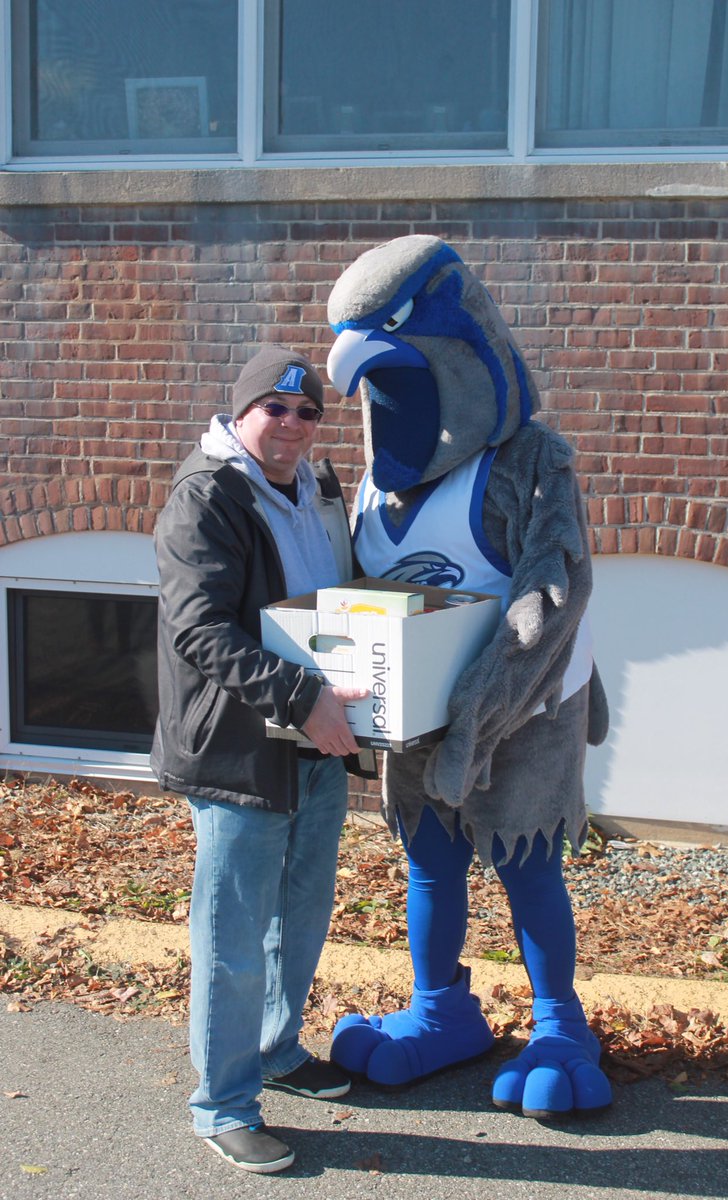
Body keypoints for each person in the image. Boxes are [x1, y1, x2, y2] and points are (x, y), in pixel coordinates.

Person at [324, 235, 613, 1119]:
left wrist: (478, 715)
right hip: (419, 715)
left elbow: (552, 597)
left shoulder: (528, 461)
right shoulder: (374, 486)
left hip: (527, 712)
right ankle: (441, 1009)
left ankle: (559, 1025)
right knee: (429, 861)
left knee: (526, 864)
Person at [150, 344, 372, 1174]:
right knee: (234, 937)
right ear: (240, 412)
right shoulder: (206, 496)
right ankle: (222, 1105)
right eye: (273, 408)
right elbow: (199, 629)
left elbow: (346, 598)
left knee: (300, 913)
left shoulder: (319, 487)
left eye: (307, 411)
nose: (291, 424)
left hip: (315, 740)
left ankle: (276, 1048)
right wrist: (299, 695)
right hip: (238, 750)